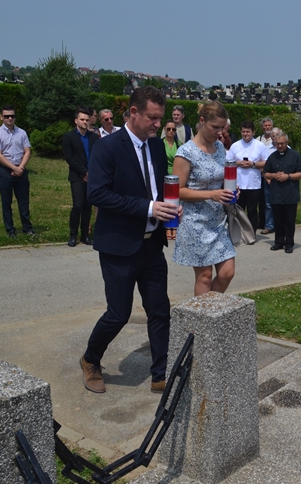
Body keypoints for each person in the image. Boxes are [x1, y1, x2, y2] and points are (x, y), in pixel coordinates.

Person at [81, 86, 180, 394]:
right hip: (119, 245)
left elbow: (157, 188)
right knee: (118, 314)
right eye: (153, 118)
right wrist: (148, 208)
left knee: (159, 310)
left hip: (151, 245)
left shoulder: (155, 146)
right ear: (133, 112)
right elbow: (97, 194)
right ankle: (90, 359)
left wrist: (169, 211)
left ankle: (160, 374)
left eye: (161, 118)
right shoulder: (107, 147)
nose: (158, 124)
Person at [173, 101, 237, 296]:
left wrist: (231, 190)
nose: (220, 132)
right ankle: (203, 313)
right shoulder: (186, 152)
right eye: (215, 127)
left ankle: (209, 309)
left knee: (227, 272)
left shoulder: (220, 147)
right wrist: (212, 194)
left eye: (222, 127)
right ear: (202, 121)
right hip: (195, 221)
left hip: (218, 220)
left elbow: (220, 179)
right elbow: (177, 191)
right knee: (205, 276)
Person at [0, 106, 34, 238]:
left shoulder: (22, 133)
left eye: (12, 116)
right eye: (6, 116)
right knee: (6, 201)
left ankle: (27, 228)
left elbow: (27, 151)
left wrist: (20, 167)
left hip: (21, 169)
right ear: (1, 117)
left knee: (24, 201)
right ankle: (10, 229)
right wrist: (14, 168)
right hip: (5, 170)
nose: (10, 118)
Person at [263, 131, 301, 253]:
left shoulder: (295, 155)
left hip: (290, 193)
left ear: (287, 142)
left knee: (289, 220)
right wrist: (274, 175)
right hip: (276, 193)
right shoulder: (272, 156)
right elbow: (265, 173)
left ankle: (289, 243)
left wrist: (288, 176)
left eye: (282, 143)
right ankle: (279, 242)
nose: (280, 146)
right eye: (277, 144)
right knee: (278, 220)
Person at [63, 108, 99, 247]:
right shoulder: (69, 137)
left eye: (87, 120)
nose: (85, 122)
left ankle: (85, 235)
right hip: (77, 176)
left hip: (91, 176)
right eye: (82, 119)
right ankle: (73, 235)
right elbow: (69, 158)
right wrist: (84, 172)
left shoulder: (94, 137)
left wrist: (91, 173)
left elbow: (97, 157)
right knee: (77, 206)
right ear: (76, 121)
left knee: (87, 207)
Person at [226, 120, 268, 232]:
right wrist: (238, 163)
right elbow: (227, 162)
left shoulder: (260, 145)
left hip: (253, 184)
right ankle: (238, 233)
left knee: (252, 211)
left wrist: (253, 164)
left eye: (248, 132)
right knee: (237, 210)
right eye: (243, 132)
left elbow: (266, 162)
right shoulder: (235, 145)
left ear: (253, 132)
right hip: (238, 184)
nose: (245, 134)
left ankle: (251, 233)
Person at [163, 121, 179, 241]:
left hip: (177, 175)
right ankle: (168, 227)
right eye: (168, 129)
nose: (171, 131)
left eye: (173, 129)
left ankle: (175, 226)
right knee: (166, 202)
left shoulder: (179, 144)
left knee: (177, 202)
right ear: (164, 130)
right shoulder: (160, 143)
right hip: (164, 175)